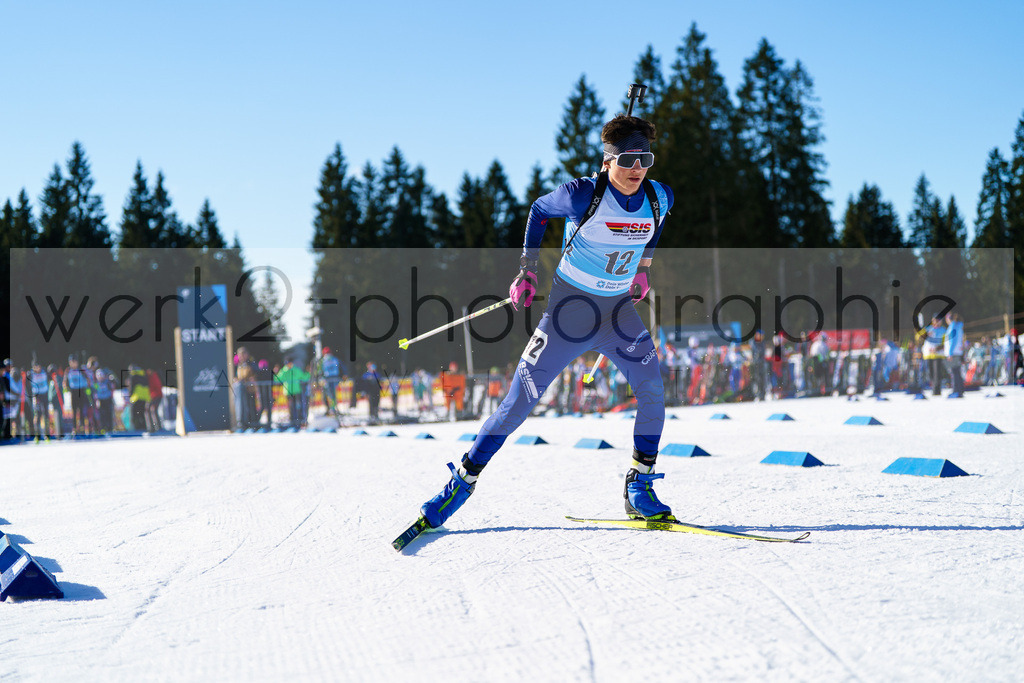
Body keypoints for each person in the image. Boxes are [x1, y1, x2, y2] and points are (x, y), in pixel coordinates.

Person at [415, 113, 674, 529]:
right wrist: (527, 269)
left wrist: (643, 267)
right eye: (627, 160)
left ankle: (639, 484)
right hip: (568, 316)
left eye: (646, 159)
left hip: (618, 314)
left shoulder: (660, 197)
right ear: (607, 161)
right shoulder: (581, 195)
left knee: (653, 391)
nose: (637, 170)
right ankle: (461, 482)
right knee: (517, 405)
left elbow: (654, 227)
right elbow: (538, 210)